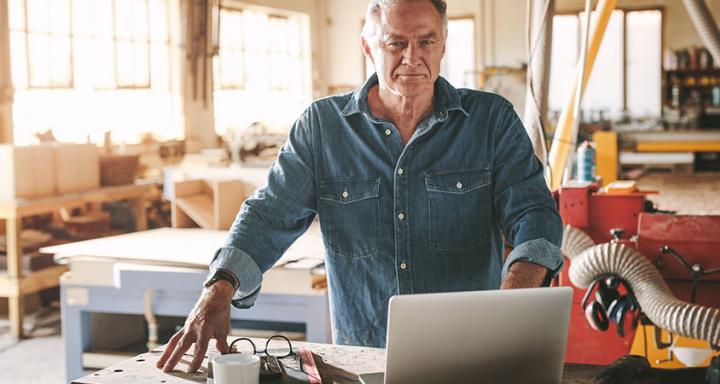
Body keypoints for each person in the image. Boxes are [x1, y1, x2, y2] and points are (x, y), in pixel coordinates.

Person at [158, 0, 563, 374]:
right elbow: (269, 214)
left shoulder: (490, 121)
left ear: (442, 46)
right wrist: (219, 286)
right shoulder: (322, 128)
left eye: (426, 42)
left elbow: (534, 213)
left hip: (475, 353)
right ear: (369, 47)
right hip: (363, 361)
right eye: (396, 43)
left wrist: (514, 303)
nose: (412, 58)